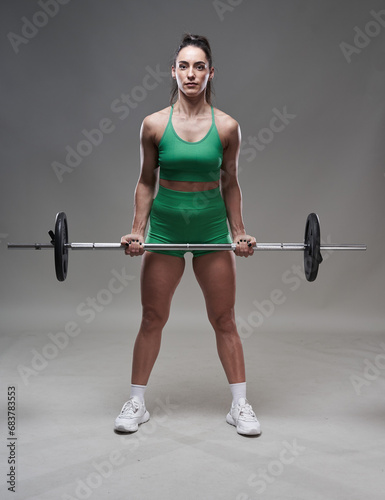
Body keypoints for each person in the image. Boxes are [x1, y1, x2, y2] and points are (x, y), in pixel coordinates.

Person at [114, 34, 261, 436]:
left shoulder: (227, 126)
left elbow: (230, 183)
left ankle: (240, 406)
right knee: (152, 317)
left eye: (199, 66)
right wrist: (136, 231)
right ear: (173, 71)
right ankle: (137, 404)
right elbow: (146, 182)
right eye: (183, 66)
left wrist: (240, 234)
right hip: (165, 230)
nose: (191, 74)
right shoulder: (154, 124)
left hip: (212, 229)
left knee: (224, 319)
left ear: (210, 73)